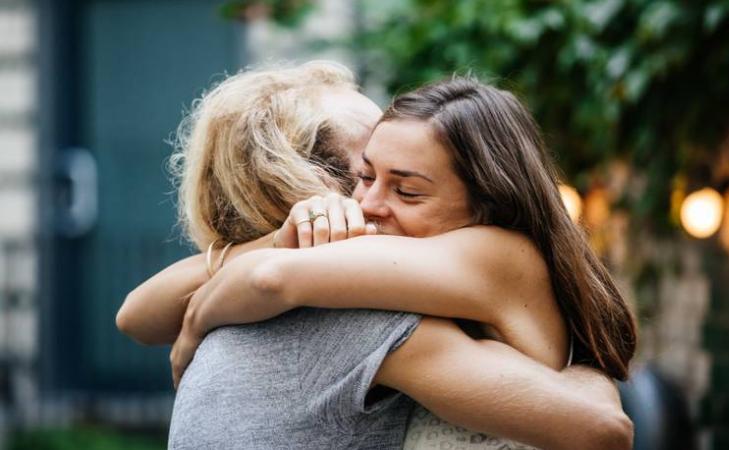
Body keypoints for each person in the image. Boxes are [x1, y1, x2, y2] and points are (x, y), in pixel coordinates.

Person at [117, 62, 634, 450]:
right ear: (306, 183)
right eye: (363, 175)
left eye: (405, 189)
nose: (367, 203)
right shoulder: (359, 297)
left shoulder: (478, 258)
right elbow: (138, 313)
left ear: (487, 201)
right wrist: (280, 239)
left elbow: (270, 278)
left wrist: (197, 319)